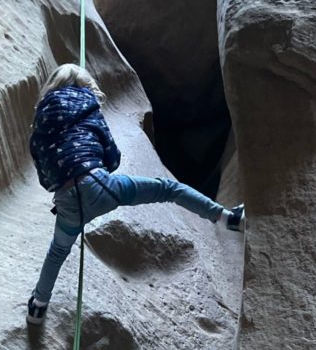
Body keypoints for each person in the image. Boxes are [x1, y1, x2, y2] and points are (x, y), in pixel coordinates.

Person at [26, 63, 244, 324]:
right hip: (99, 185)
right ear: (84, 84)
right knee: (168, 189)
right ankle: (226, 218)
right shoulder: (87, 103)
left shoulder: (39, 122)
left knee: (57, 252)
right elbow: (111, 153)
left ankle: (38, 307)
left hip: (66, 202)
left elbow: (42, 171)